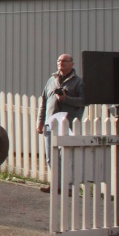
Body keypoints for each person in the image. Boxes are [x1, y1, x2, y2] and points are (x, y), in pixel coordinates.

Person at [35, 54, 85, 193]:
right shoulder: (51, 80)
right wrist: (40, 122)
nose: (61, 63)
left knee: (67, 157)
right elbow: (44, 102)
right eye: (59, 61)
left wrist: (66, 99)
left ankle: (67, 187)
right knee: (51, 156)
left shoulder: (78, 82)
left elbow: (83, 101)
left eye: (65, 61)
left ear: (72, 64)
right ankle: (55, 185)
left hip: (67, 123)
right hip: (50, 123)